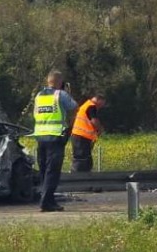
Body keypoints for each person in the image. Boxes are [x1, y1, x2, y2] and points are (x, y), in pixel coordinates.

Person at [32, 69, 78, 212]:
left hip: (40, 137)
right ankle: (45, 202)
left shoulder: (39, 96)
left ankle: (49, 201)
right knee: (52, 171)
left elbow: (35, 114)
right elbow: (74, 106)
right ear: (59, 82)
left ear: (48, 81)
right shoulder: (61, 94)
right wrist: (67, 92)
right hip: (55, 137)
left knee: (44, 170)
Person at [70, 93, 106, 172]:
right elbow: (94, 121)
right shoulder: (91, 106)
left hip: (80, 136)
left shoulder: (86, 105)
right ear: (98, 100)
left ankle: (83, 175)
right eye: (101, 104)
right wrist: (100, 129)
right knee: (81, 158)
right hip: (81, 136)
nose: (101, 107)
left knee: (85, 159)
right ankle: (77, 176)